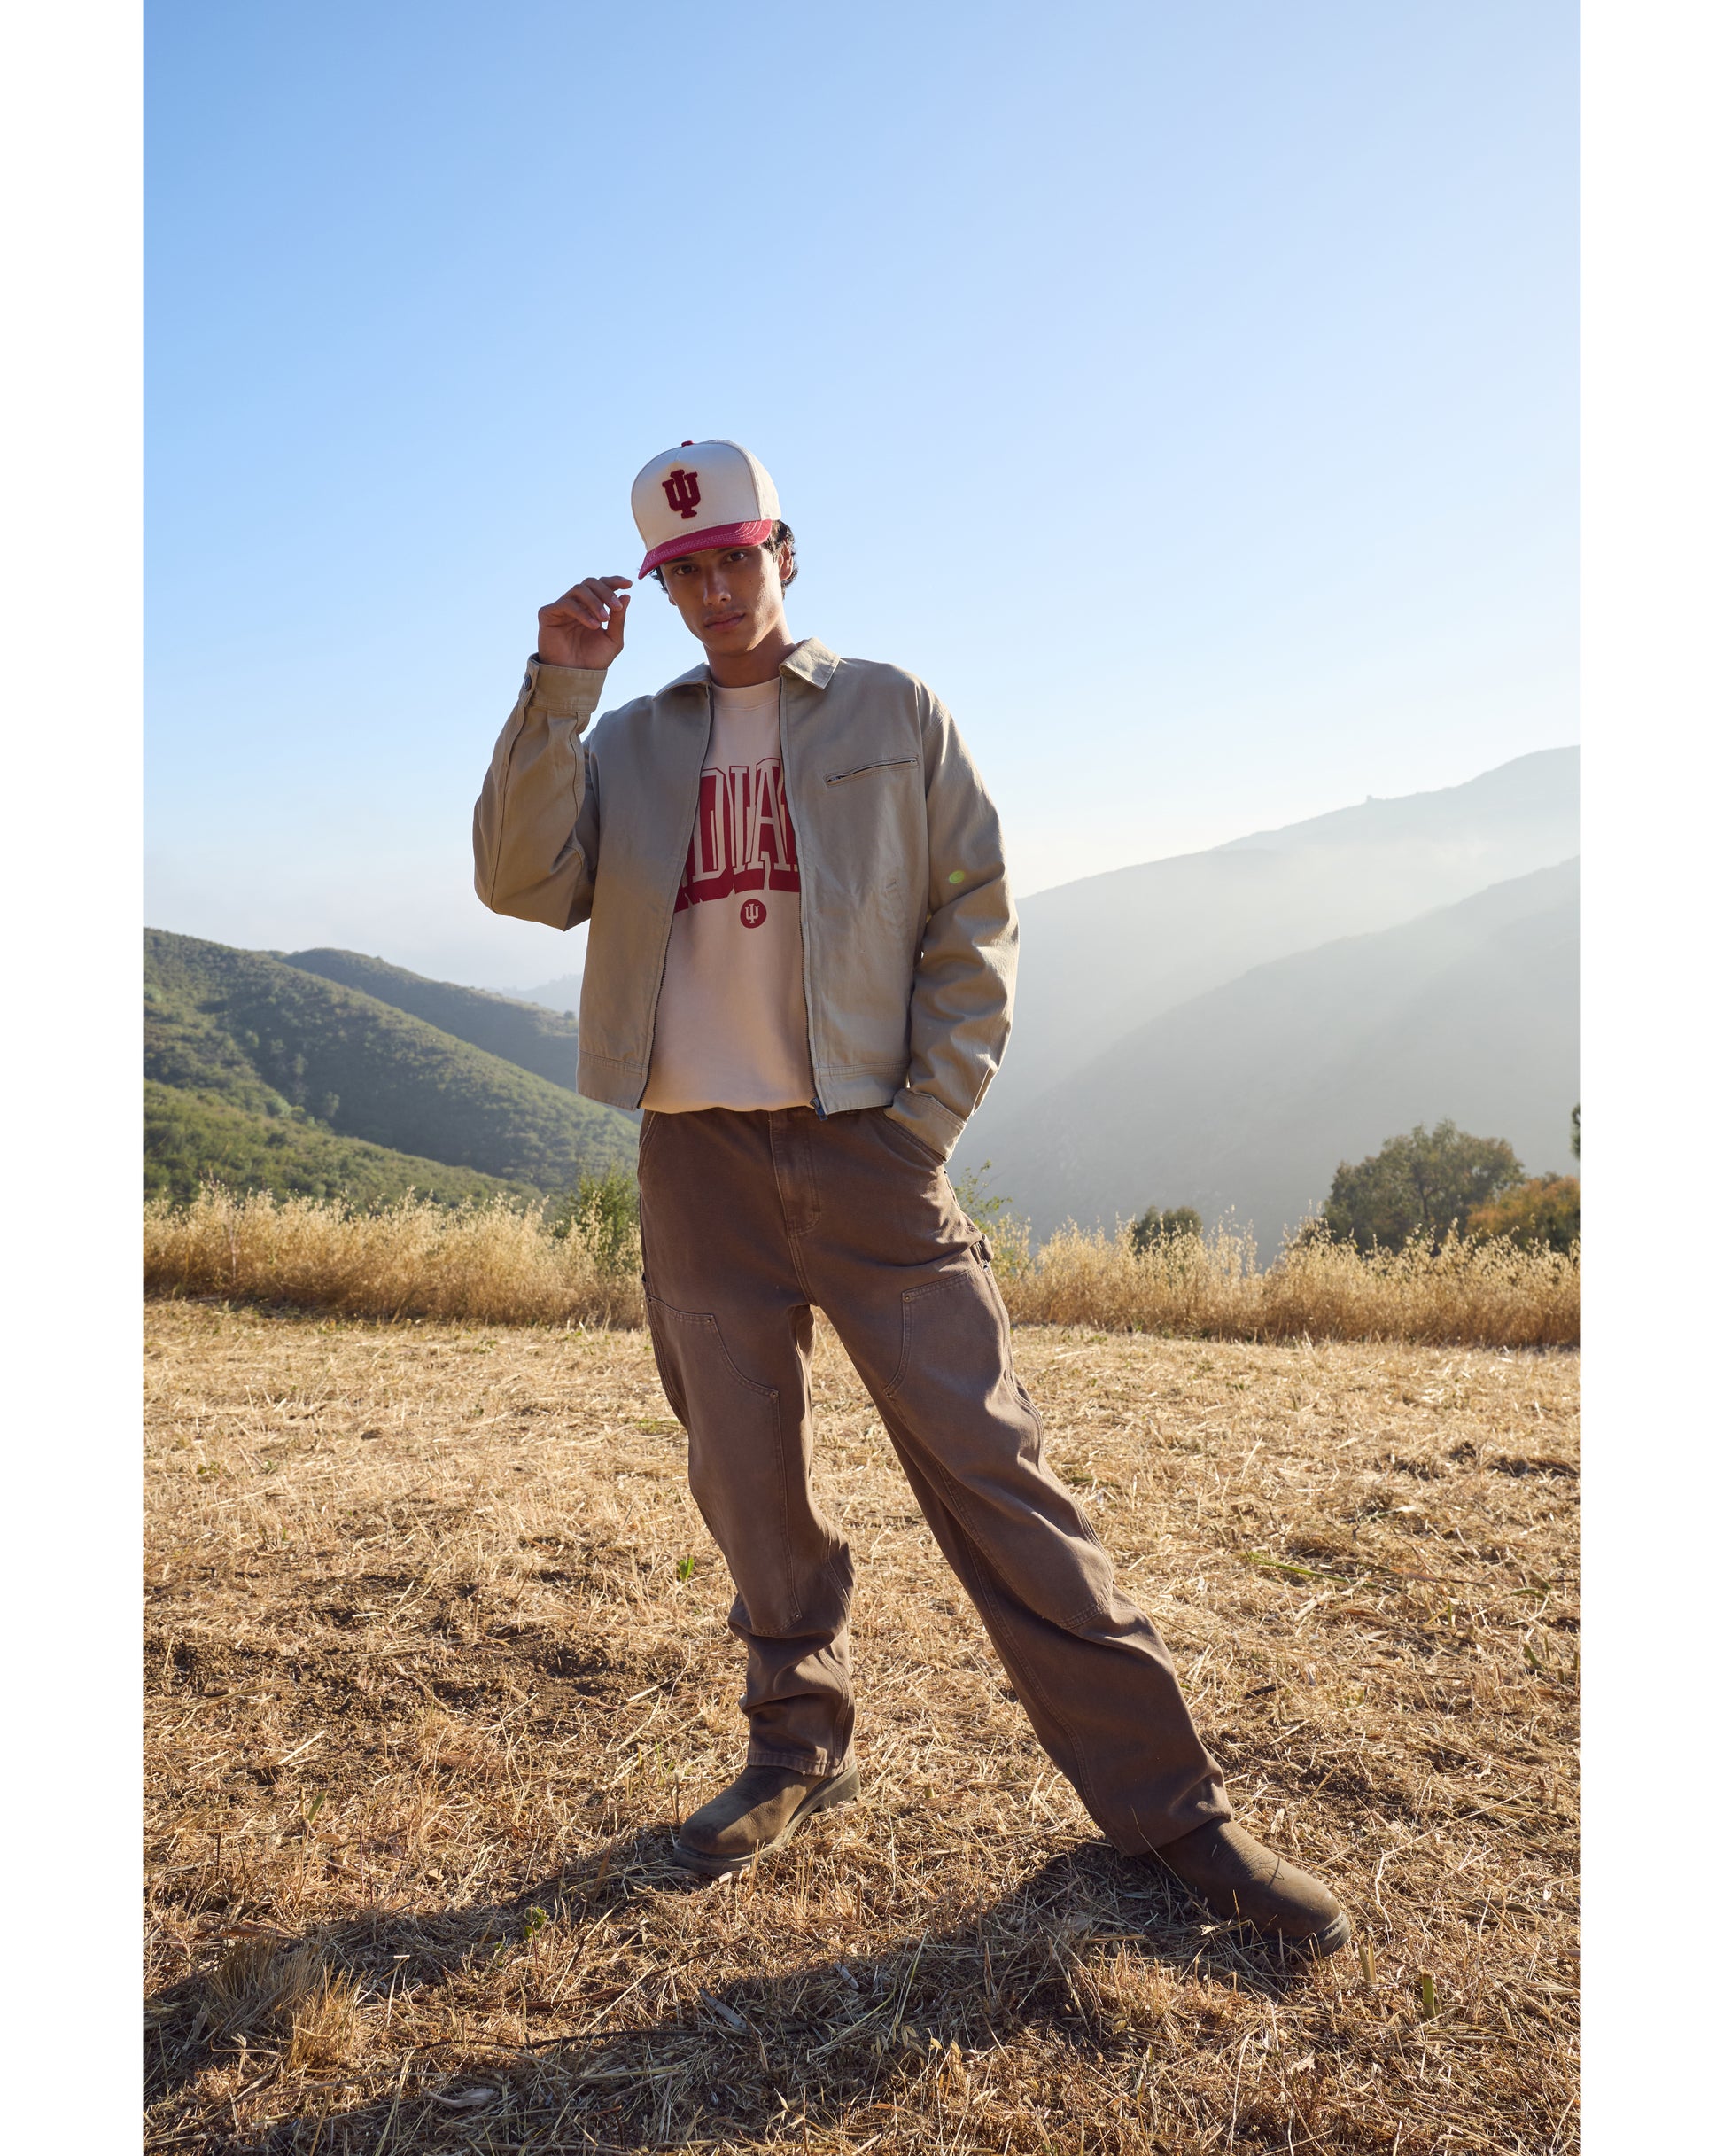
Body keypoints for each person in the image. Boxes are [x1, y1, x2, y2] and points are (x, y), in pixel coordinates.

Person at [473, 439, 1349, 1953]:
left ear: (783, 552)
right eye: (685, 571)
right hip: (695, 1161)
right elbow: (518, 881)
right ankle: (793, 1744)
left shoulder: (893, 709)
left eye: (734, 557)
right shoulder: (623, 741)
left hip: (869, 1152)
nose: (713, 589)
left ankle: (1173, 1813)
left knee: (998, 1477)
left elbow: (973, 914)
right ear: (660, 587)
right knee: (744, 1480)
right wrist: (558, 686)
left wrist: (920, 1122)